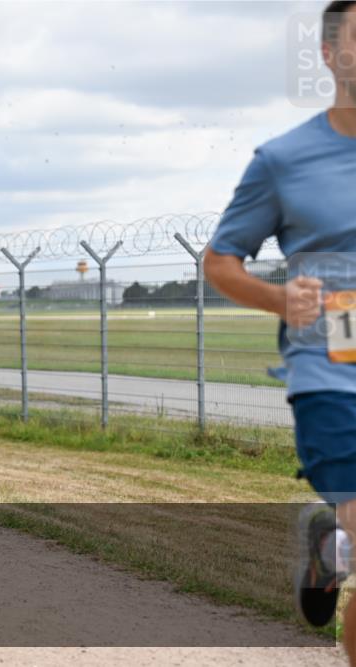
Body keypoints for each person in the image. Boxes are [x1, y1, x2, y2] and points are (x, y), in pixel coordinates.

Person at [204, 2, 356, 662]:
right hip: (332, 374)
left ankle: (332, 547)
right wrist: (278, 299)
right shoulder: (285, 159)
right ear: (329, 54)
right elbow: (219, 260)